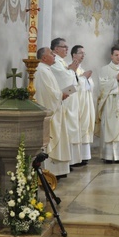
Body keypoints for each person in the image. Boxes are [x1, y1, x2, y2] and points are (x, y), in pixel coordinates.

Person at [34, 47, 72, 178]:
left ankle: (58, 171)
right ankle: (52, 172)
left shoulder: (46, 69)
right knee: (52, 138)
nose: (54, 55)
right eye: (51, 53)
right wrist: (60, 95)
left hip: (55, 108)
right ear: (44, 57)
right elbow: (47, 93)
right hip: (50, 111)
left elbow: (51, 91)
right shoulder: (41, 70)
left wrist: (60, 94)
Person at [50, 38, 81, 166]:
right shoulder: (55, 61)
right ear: (56, 49)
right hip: (59, 101)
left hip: (66, 100)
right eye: (64, 47)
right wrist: (71, 71)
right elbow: (63, 78)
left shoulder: (61, 62)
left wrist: (70, 71)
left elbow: (70, 80)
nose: (67, 49)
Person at [70, 44, 94, 165]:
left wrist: (85, 78)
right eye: (80, 53)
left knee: (85, 127)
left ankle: (84, 156)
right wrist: (84, 78)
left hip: (85, 104)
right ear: (74, 55)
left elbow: (89, 86)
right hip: (77, 104)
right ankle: (76, 158)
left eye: (84, 53)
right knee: (77, 127)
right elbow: (73, 85)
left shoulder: (81, 70)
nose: (83, 55)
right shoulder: (69, 69)